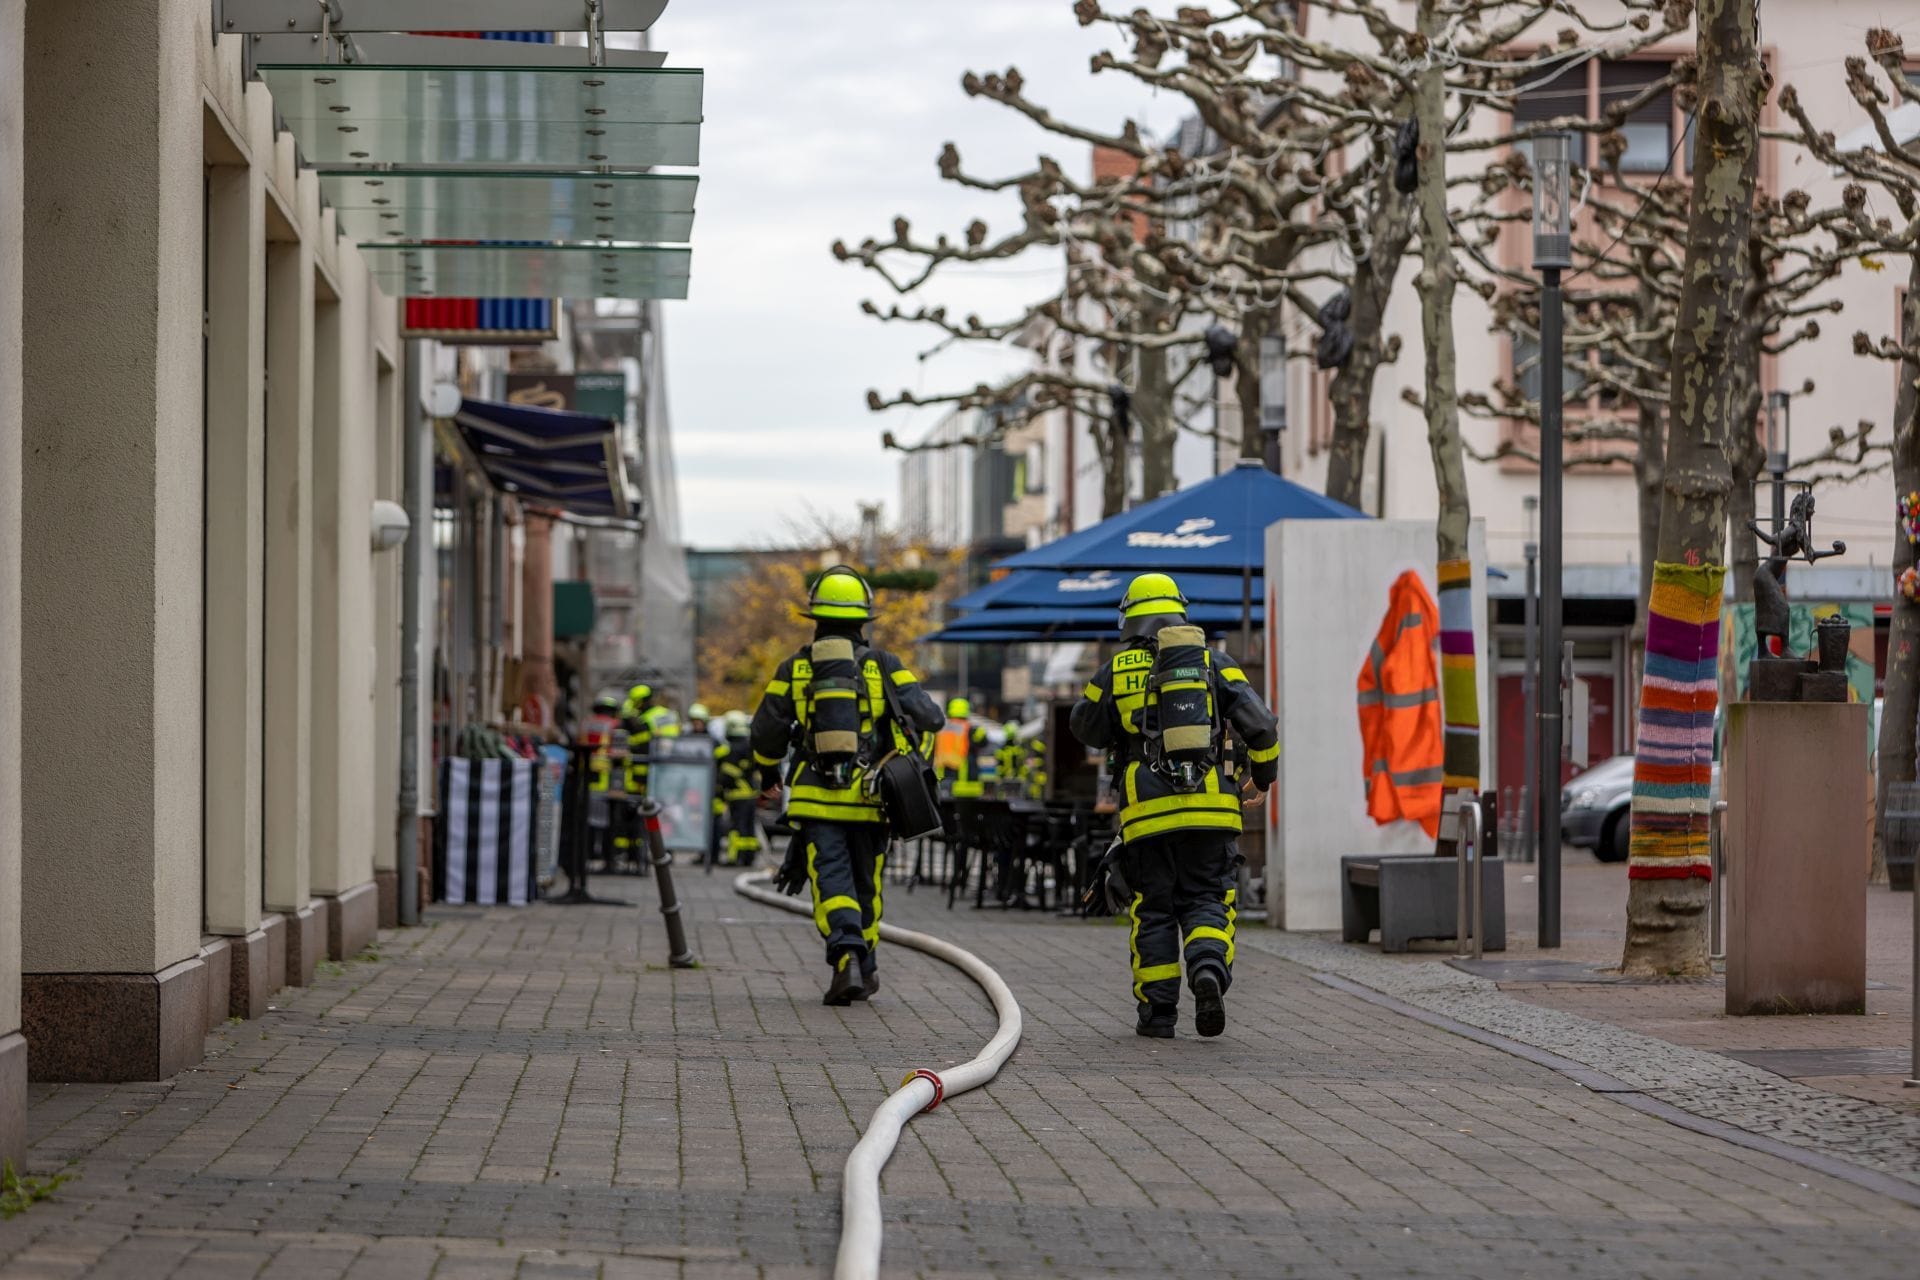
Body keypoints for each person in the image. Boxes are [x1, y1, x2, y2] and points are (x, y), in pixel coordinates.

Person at [1069, 572, 1279, 1039]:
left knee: (1154, 909)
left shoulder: (1113, 671)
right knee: (1208, 898)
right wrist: (1261, 776)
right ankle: (1206, 969)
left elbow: (1083, 727)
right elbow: (1262, 726)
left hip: (1146, 816)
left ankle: (1158, 1014)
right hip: (1212, 811)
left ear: (1130, 618)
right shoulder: (1216, 664)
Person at [750, 566, 943, 1004]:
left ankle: (847, 956)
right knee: (866, 884)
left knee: (831, 879)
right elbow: (932, 717)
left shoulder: (795, 667)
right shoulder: (885, 666)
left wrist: (768, 774)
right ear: (862, 620)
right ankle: (865, 962)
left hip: (817, 804)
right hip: (872, 800)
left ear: (815, 616)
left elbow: (764, 733)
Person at [717, 710, 762, 866]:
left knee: (737, 827)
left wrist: (719, 786)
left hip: (737, 794)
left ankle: (735, 857)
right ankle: (749, 857)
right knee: (749, 827)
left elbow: (728, 775)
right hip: (751, 794)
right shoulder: (749, 746)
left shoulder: (734, 749)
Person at [933, 697, 988, 798]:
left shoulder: (941, 730)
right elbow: (984, 743)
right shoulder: (971, 730)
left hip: (942, 779)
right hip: (965, 782)